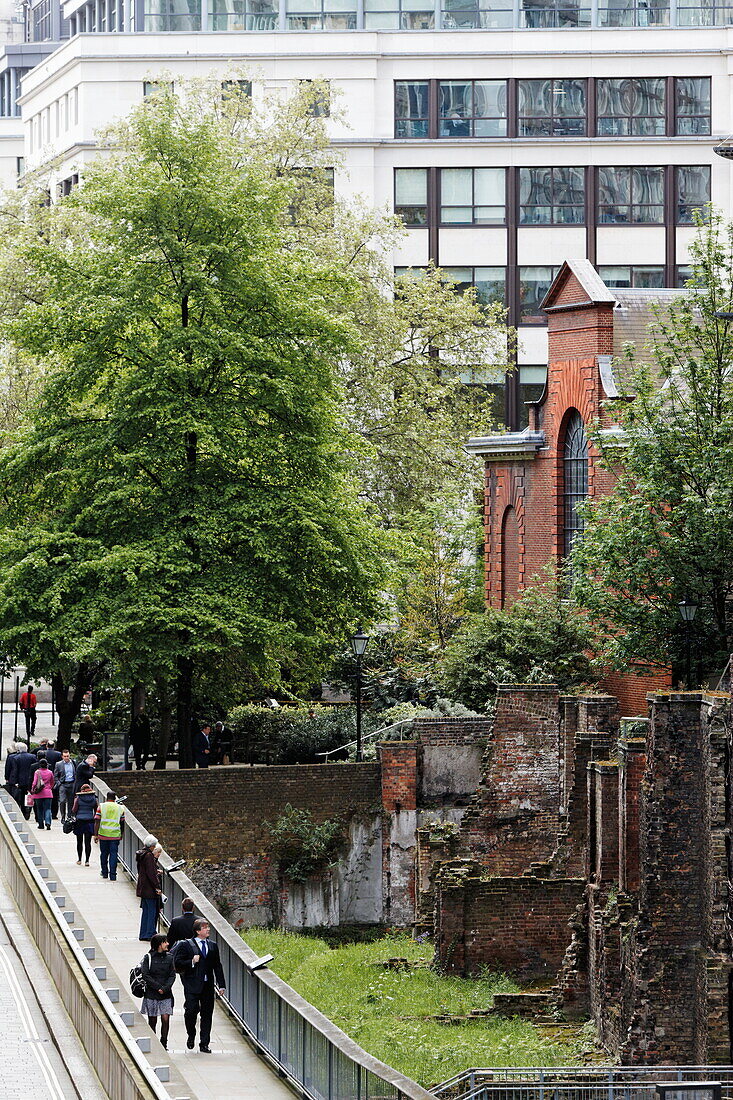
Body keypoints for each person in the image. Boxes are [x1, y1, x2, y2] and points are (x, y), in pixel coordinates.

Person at [174, 918, 226, 1053]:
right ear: (197, 931)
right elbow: (178, 962)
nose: (208, 930)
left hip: (208, 985)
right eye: (204, 928)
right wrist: (191, 961)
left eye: (208, 927)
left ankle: (204, 1043)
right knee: (191, 1011)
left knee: (207, 1014)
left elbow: (217, 966)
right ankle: (191, 1034)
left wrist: (221, 985)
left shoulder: (213, 945)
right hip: (192, 984)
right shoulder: (186, 945)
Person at [140, 933, 175, 1050]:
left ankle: (164, 1042)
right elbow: (145, 975)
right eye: (165, 942)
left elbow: (172, 975)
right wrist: (158, 987)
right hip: (152, 993)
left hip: (166, 993)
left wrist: (165, 988)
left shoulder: (170, 957)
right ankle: (153, 1042)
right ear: (159, 944)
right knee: (153, 1019)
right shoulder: (148, 957)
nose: (168, 944)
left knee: (165, 1018)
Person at [94, 790, 125, 880]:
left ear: (107, 797)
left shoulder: (101, 806)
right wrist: (121, 834)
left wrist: (95, 834)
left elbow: (97, 821)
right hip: (115, 835)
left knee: (104, 853)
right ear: (115, 798)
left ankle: (104, 873)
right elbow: (122, 822)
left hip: (103, 834)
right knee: (113, 854)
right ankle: (113, 875)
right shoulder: (120, 808)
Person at [136, 834, 162, 941]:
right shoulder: (149, 856)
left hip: (143, 887)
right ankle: (150, 933)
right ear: (151, 846)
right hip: (150, 889)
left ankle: (143, 933)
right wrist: (157, 887)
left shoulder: (141, 855)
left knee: (146, 912)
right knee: (152, 912)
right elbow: (151, 874)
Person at [72, 783, 98, 865]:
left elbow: (74, 810)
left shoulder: (78, 798)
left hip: (80, 821)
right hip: (90, 821)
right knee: (88, 842)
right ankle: (87, 860)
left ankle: (79, 859)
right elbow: (96, 810)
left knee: (79, 841)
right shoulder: (94, 799)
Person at [7, 745, 36, 820]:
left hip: (21, 780)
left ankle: (24, 811)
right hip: (30, 780)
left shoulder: (16, 758)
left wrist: (15, 781)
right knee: (29, 795)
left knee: (22, 797)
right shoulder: (32, 757)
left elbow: (15, 770)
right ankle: (28, 810)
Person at [53, 750, 77, 824]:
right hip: (63, 784)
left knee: (71, 801)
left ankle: (69, 816)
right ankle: (63, 816)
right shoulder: (58, 764)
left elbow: (76, 773)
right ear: (62, 756)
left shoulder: (73, 763)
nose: (66, 758)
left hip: (72, 783)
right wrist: (58, 783)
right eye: (65, 756)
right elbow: (55, 775)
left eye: (68, 756)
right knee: (62, 801)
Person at [30, 758, 54, 829]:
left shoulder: (37, 772)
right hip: (48, 793)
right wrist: (49, 788)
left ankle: (41, 824)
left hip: (38, 794)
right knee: (48, 809)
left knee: (39, 809)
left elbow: (34, 782)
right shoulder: (50, 772)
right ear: (47, 765)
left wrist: (32, 790)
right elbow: (52, 781)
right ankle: (48, 822)